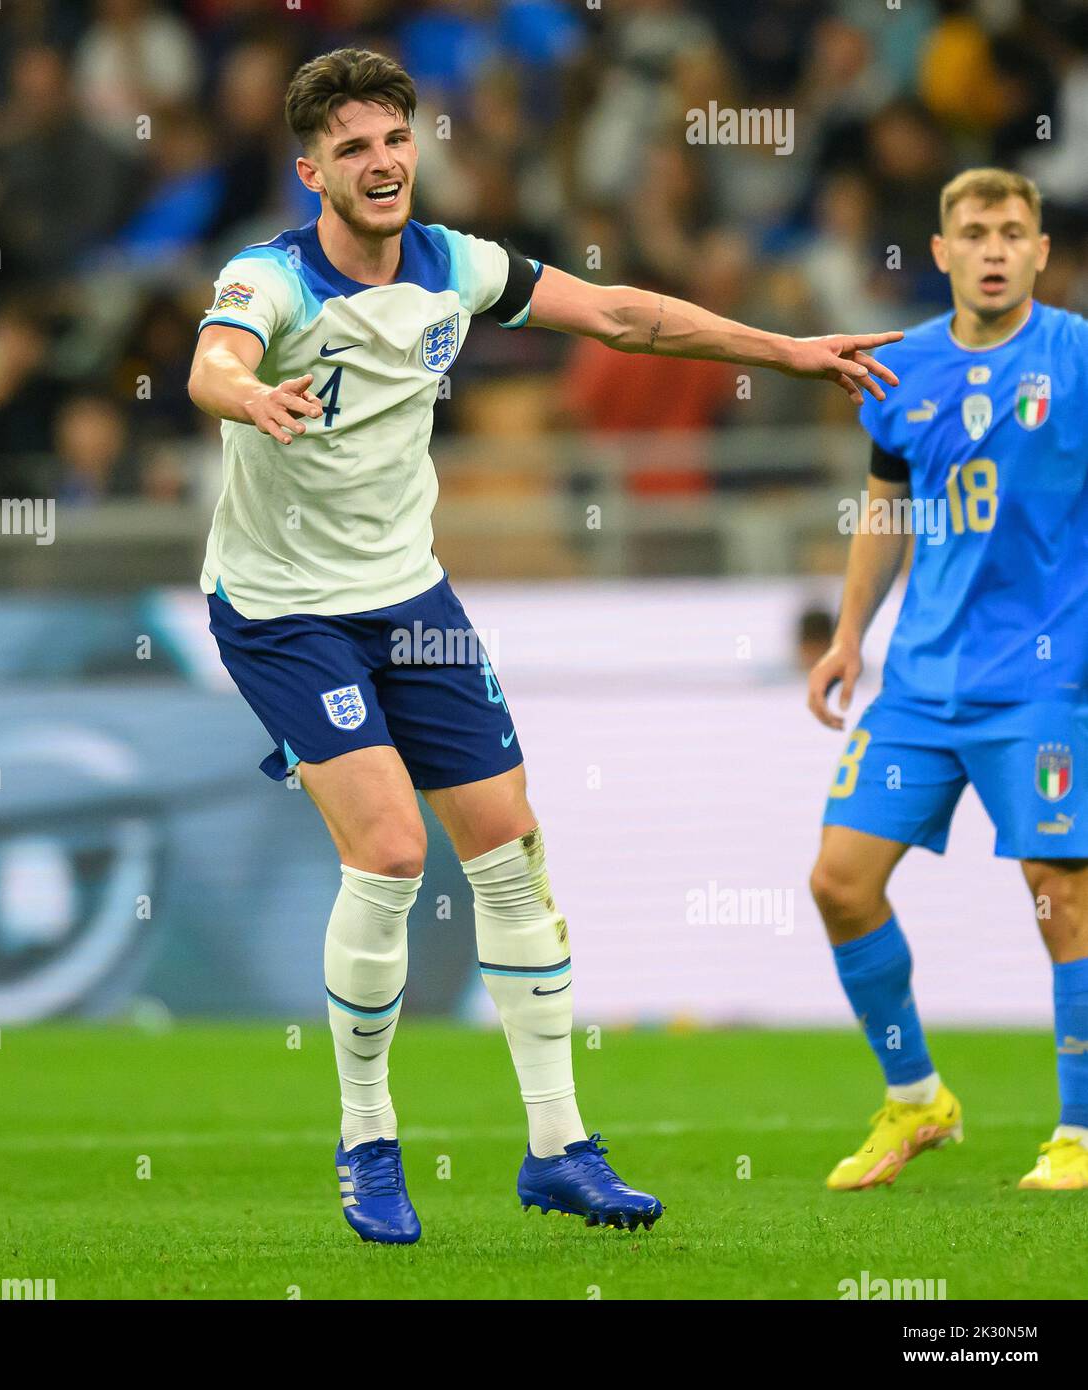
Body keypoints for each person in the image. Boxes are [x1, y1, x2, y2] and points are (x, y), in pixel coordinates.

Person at [188, 47, 902, 1245]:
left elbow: (624, 314)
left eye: (394, 138)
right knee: (391, 852)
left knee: (512, 852)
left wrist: (785, 351)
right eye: (352, 147)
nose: (381, 162)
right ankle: (367, 1142)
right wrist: (248, 393)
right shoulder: (270, 281)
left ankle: (561, 1148)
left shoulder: (455, 265)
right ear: (310, 170)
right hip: (281, 608)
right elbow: (217, 354)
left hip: (408, 598)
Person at [808, 168, 1088, 1193]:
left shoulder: (1077, 357)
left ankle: (1080, 1135)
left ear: (1040, 250)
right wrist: (848, 635)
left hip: (1044, 686)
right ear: (941, 252)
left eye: (1013, 230)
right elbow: (886, 507)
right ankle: (918, 1099)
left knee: (1058, 896)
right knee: (839, 883)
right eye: (973, 231)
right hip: (921, 687)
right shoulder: (905, 368)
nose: (994, 247)